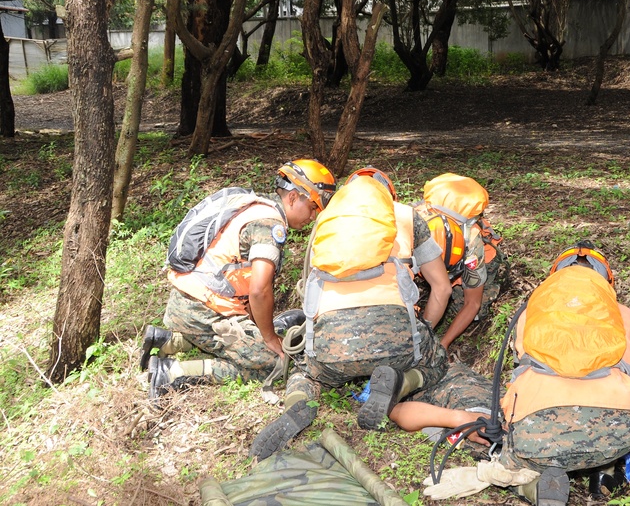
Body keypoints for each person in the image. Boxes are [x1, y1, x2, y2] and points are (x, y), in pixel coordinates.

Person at [388, 243, 630, 506]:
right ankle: (603, 468)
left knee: (495, 420)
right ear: (608, 284)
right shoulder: (627, 317)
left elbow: (518, 385)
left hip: (534, 439)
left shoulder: (531, 312)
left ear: (554, 280)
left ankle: (529, 480)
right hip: (618, 436)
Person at [250, 168, 455, 460]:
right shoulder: (407, 216)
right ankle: (401, 381)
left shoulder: (326, 219)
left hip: (331, 348)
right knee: (434, 361)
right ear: (388, 194)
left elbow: (312, 290)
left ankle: (298, 402)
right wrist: (423, 334)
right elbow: (443, 289)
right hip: (396, 342)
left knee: (306, 373)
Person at [142, 159, 336, 401]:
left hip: (188, 303)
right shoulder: (270, 224)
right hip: (203, 311)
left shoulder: (257, 206)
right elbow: (259, 290)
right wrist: (268, 339)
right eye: (313, 207)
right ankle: (172, 373)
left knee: (263, 339)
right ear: (294, 198)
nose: (314, 216)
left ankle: (170, 341)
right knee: (274, 362)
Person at [412, 173, 508, 350]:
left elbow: (473, 303)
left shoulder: (472, 243)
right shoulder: (409, 224)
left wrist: (444, 343)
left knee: (474, 309)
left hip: (469, 262)